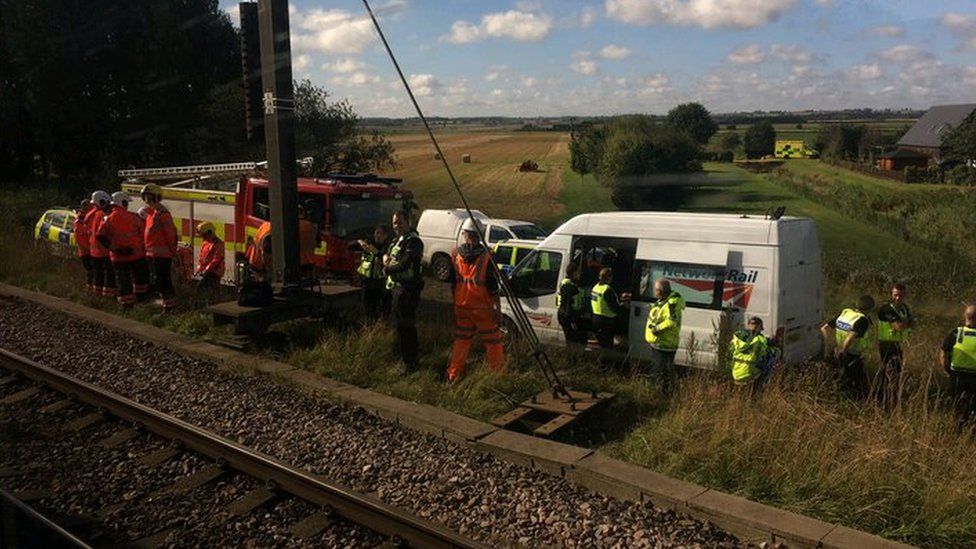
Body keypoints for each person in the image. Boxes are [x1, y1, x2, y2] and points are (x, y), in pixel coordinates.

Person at [446, 218, 504, 383]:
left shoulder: (456, 254)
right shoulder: (487, 256)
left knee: (462, 342)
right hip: (482, 309)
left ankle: (453, 375)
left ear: (465, 234)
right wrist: (497, 310)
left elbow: (452, 283)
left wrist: (455, 303)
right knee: (493, 342)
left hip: (462, 307)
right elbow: (492, 287)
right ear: (480, 234)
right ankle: (498, 377)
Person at [384, 210, 424, 373]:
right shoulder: (398, 240)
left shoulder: (413, 241)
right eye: (394, 222)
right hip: (398, 287)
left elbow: (406, 263)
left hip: (408, 289)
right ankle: (405, 359)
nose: (396, 226)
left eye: (400, 222)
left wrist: (388, 269)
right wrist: (385, 258)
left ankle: (410, 363)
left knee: (406, 326)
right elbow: (389, 254)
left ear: (408, 222)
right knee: (400, 326)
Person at [97, 191, 149, 307]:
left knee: (123, 281)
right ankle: (142, 301)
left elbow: (100, 236)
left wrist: (114, 249)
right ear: (123, 203)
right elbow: (144, 233)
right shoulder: (134, 217)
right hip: (137, 255)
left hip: (118, 257)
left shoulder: (107, 219)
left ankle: (126, 305)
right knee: (139, 279)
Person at [821, 295, 875, 398]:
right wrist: (843, 350)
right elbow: (850, 337)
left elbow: (824, 328)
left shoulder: (845, 314)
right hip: (851, 356)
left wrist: (829, 346)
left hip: (837, 353)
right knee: (853, 384)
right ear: (869, 309)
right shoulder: (863, 320)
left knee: (837, 380)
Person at [141, 184, 179, 310]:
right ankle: (165, 303)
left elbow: (170, 236)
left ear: (156, 197)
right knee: (157, 281)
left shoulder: (163, 214)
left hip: (162, 256)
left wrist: (173, 253)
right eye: (145, 197)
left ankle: (170, 307)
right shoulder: (153, 214)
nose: (147, 200)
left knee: (163, 281)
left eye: (149, 197)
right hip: (153, 254)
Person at [645, 279, 686, 389]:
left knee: (660, 372)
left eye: (655, 290)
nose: (654, 292)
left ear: (660, 291)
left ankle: (661, 393)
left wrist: (657, 329)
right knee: (657, 370)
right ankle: (657, 390)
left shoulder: (672, 303)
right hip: (658, 343)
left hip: (664, 344)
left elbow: (672, 321)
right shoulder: (664, 300)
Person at [876, 283, 913, 402]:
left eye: (900, 296)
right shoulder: (886, 309)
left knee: (896, 373)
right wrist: (905, 323)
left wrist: (905, 323)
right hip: (886, 344)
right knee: (889, 373)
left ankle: (891, 396)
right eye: (895, 295)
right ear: (891, 295)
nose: (898, 298)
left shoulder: (904, 308)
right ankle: (885, 398)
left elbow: (911, 324)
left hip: (898, 344)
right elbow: (899, 326)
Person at [940, 304, 976, 425]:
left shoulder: (956, 333)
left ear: (965, 317)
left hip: (957, 377)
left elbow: (944, 353)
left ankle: (957, 430)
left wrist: (946, 369)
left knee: (958, 408)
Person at [356, 224, 391, 320]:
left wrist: (373, 251)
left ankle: (377, 328)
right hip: (366, 282)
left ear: (386, 236)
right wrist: (359, 243)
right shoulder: (369, 243)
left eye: (381, 234)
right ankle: (368, 328)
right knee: (366, 308)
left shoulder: (388, 247)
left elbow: (382, 255)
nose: (378, 236)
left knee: (377, 309)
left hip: (379, 284)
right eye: (377, 233)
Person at [86, 190, 115, 297]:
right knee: (108, 274)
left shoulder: (90, 214)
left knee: (98, 275)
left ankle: (97, 295)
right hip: (103, 249)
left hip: (94, 250)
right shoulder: (101, 214)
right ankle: (108, 296)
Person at [590, 267, 627, 350]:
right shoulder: (607, 290)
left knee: (602, 344)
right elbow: (615, 308)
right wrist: (624, 305)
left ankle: (602, 361)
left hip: (596, 319)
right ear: (609, 277)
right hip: (606, 321)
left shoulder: (595, 287)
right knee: (607, 346)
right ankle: (605, 362)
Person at [730, 316, 771, 387]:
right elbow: (764, 353)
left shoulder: (737, 337)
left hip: (736, 374)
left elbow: (730, 351)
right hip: (749, 375)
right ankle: (758, 393)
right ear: (759, 327)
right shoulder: (760, 340)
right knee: (767, 364)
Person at [557, 262, 588, 347]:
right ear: (574, 272)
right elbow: (567, 306)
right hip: (568, 317)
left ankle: (572, 357)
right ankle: (572, 358)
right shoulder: (569, 286)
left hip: (569, 315)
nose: (579, 273)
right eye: (578, 271)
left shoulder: (570, 283)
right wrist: (572, 321)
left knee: (574, 340)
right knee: (573, 342)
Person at [194, 222, 225, 290]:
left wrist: (207, 269)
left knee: (210, 289)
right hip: (206, 272)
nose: (203, 237)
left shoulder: (218, 244)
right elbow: (201, 257)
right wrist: (199, 268)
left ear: (209, 233)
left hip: (214, 272)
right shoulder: (205, 243)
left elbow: (216, 259)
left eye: (204, 235)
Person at [74, 199, 94, 292]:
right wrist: (90, 250)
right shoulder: (80, 221)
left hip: (90, 251)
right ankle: (89, 290)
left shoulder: (86, 219)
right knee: (91, 272)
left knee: (92, 273)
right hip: (86, 252)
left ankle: (90, 290)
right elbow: (81, 240)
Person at [298, 205, 320, 281]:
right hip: (310, 262)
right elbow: (318, 243)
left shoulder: (292, 226)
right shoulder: (312, 227)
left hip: (296, 263)